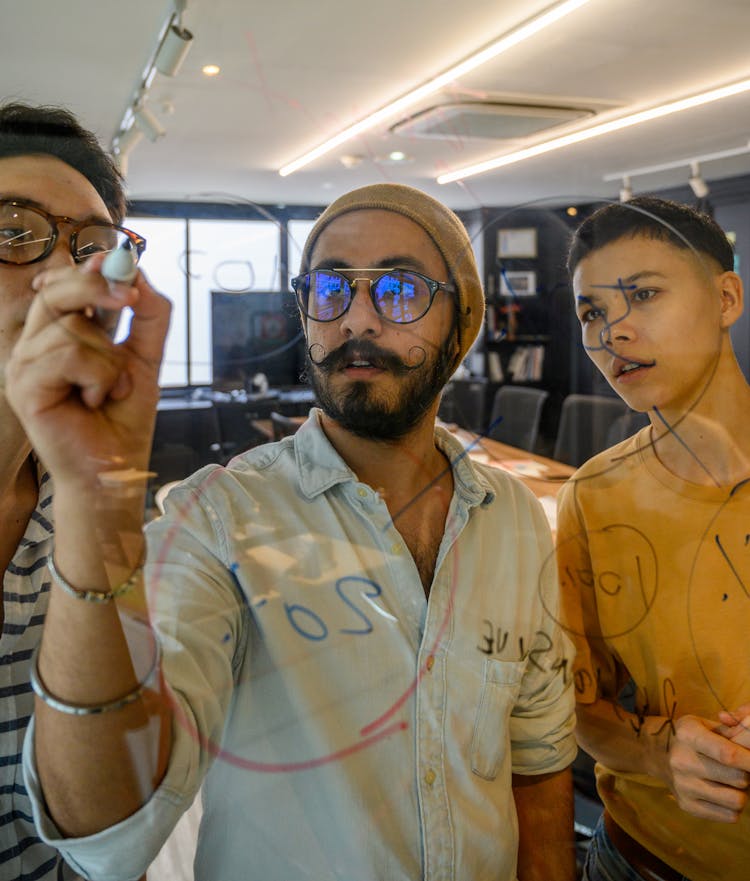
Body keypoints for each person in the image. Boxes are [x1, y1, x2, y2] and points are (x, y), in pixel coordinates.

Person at [9, 182, 577, 881]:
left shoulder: (515, 519)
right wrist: (91, 507)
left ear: (460, 324)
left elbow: (539, 762)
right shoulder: (217, 520)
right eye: (330, 288)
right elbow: (107, 831)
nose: (357, 320)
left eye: (399, 289)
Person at [557, 196, 750, 880]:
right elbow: (580, 704)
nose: (614, 333)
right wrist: (659, 751)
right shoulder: (594, 497)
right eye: (592, 314)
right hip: (645, 856)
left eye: (642, 294)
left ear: (727, 296)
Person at [0, 101, 158, 880]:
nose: (63, 272)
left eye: (93, 248)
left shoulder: (83, 507)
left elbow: (109, 826)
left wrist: (99, 495)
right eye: (12, 229)